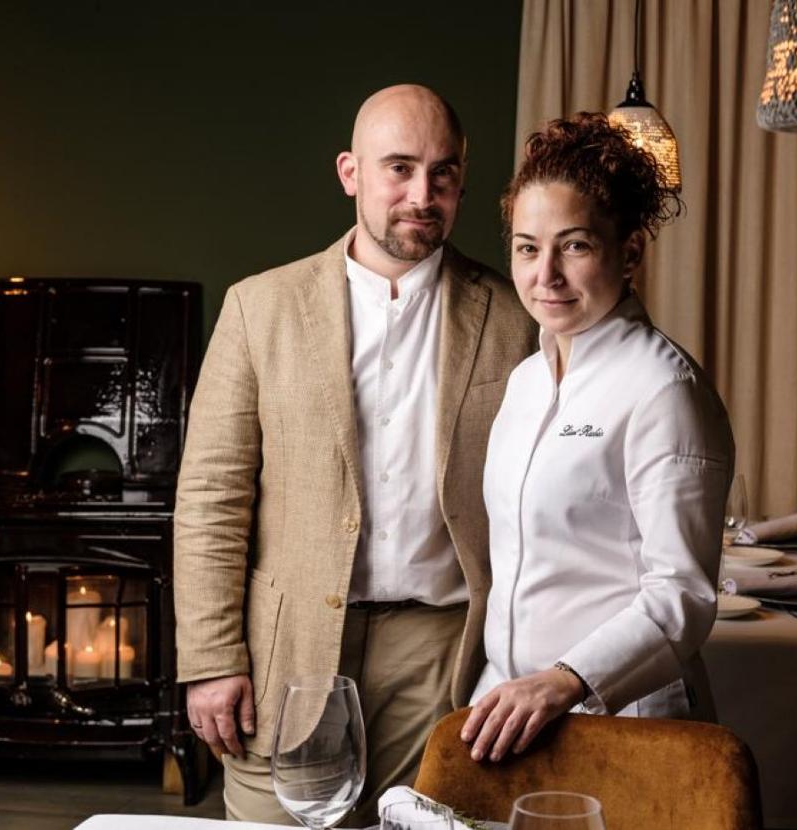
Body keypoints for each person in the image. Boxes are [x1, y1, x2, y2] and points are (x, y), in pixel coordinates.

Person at [173, 84, 537, 824]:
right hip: (289, 644)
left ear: (463, 180)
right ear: (350, 172)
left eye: (442, 173)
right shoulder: (258, 306)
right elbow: (211, 496)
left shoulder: (516, 316)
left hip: (443, 650)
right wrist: (211, 660)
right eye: (398, 168)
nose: (420, 193)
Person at [461, 112, 735, 763]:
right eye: (528, 248)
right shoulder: (525, 381)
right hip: (511, 709)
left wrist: (563, 682)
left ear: (630, 251)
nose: (545, 274)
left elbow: (682, 597)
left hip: (621, 716)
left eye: (575, 245)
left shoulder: (663, 388)